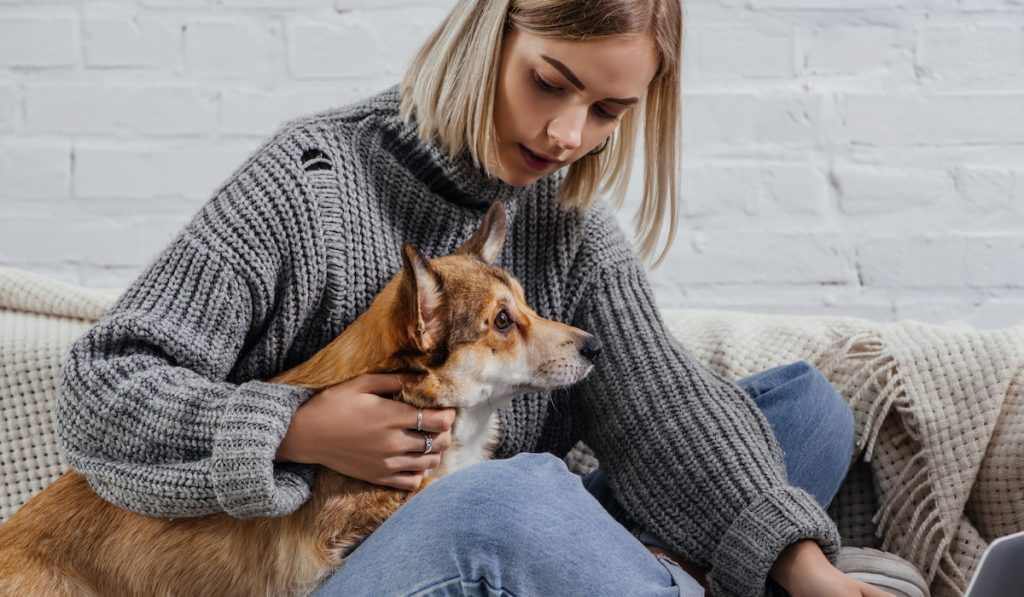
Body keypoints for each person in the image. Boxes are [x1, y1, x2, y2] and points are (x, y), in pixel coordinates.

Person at [55, 1, 900, 595]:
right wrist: (296, 426)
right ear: (489, 33)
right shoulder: (308, 182)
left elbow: (663, 406)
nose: (568, 136)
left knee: (805, 409)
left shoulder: (566, 224)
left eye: (608, 110)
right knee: (513, 497)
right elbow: (102, 386)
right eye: (549, 82)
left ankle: (631, 569)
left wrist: (805, 564)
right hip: (321, 567)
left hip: (480, 529)